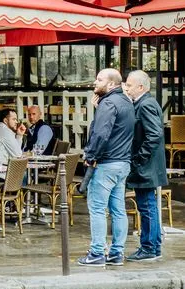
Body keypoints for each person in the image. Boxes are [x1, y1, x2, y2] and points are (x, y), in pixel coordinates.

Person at [77, 68, 135, 267]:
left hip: (106, 164)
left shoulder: (108, 103)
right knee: (118, 209)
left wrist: (90, 156)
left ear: (111, 84)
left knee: (97, 208)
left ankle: (97, 252)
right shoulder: (127, 102)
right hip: (123, 163)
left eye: (99, 79)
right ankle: (117, 253)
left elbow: (100, 133)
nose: (95, 82)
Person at [124, 70, 167, 261]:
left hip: (146, 167)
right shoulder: (144, 103)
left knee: (147, 207)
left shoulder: (146, 104)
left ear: (141, 87)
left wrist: (138, 159)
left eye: (130, 85)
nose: (127, 87)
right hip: (147, 166)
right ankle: (153, 246)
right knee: (148, 206)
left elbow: (154, 135)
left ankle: (149, 248)